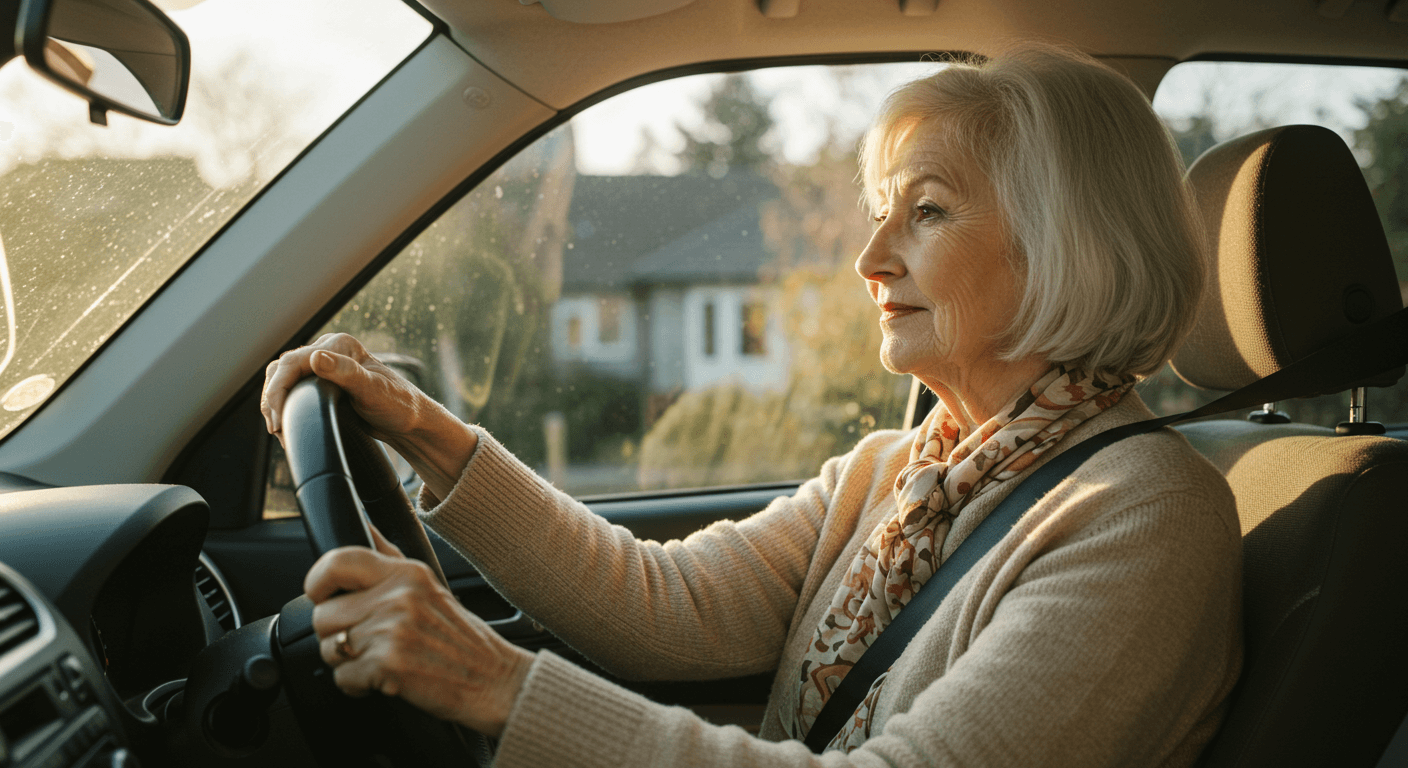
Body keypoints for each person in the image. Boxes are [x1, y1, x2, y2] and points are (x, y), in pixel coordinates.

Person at [262, 43, 1241, 767]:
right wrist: (424, 431)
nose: (869, 260)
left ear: (1067, 241)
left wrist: (493, 683)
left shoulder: (1144, 517)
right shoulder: (896, 471)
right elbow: (656, 605)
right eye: (880, 214)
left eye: (928, 210)